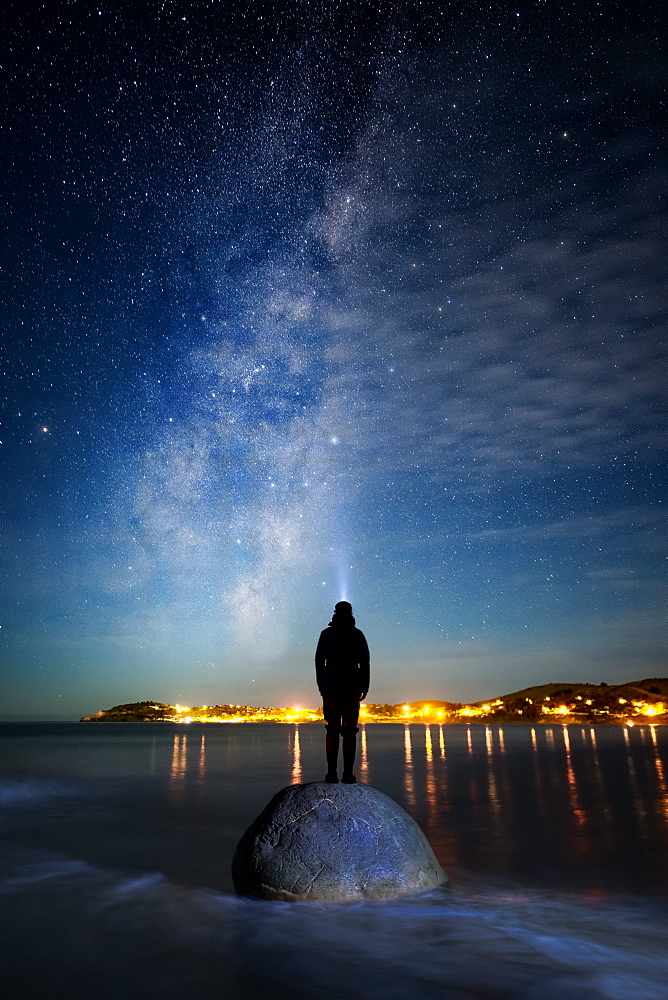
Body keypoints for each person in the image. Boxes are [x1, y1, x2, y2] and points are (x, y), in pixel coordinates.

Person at [315, 601, 370, 783]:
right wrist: (365, 685)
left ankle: (332, 773)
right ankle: (347, 774)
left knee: (332, 729)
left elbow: (319, 661)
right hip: (351, 685)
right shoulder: (357, 635)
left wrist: (321, 684)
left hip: (330, 684)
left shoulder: (327, 634)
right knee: (349, 730)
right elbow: (365, 662)